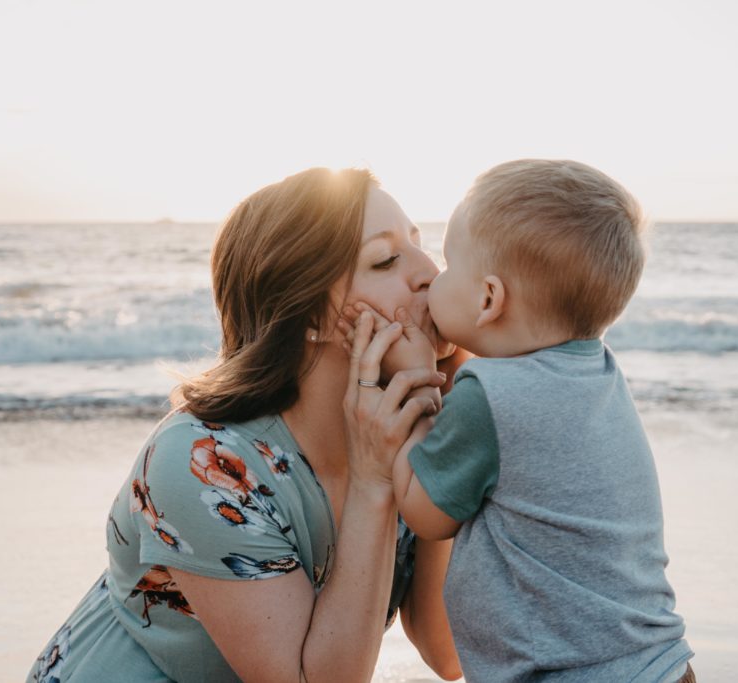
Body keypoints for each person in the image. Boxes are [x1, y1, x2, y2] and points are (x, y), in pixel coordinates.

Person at [27, 168, 464, 682]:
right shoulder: (201, 462)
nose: (430, 273)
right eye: (386, 259)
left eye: (420, 246)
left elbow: (447, 652)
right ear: (310, 317)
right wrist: (373, 484)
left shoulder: (406, 431)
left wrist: (442, 448)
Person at [350, 160, 696, 682]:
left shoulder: (488, 394)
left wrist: (420, 381)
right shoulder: (598, 372)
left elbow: (426, 515)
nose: (431, 280)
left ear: (488, 299)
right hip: (658, 664)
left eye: (448, 265)